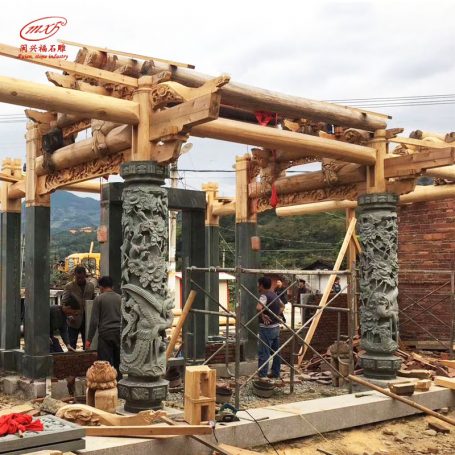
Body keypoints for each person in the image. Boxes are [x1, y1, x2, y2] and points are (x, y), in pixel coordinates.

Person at [86, 276, 121, 376]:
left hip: (105, 335)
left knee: (104, 365)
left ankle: (106, 384)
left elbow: (94, 321)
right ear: (112, 286)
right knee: (118, 363)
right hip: (119, 334)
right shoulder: (120, 298)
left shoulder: (99, 299)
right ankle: (118, 383)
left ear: (101, 287)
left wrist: (89, 340)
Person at [257, 276, 285, 379]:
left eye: (258, 284)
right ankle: (275, 373)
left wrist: (263, 315)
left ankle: (262, 375)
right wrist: (275, 315)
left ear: (261, 285)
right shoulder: (274, 294)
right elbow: (282, 306)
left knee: (264, 352)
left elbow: (258, 307)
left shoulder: (264, 295)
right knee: (276, 352)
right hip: (276, 327)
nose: (257, 286)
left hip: (266, 328)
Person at [61, 266, 96, 350]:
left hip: (87, 320)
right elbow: (63, 303)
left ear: (85, 275)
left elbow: (93, 300)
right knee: (72, 345)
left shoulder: (91, 286)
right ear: (75, 276)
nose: (79, 279)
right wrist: (69, 315)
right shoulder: (69, 286)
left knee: (87, 345)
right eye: (77, 278)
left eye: (81, 278)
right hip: (73, 320)